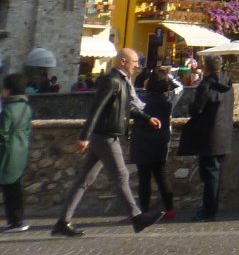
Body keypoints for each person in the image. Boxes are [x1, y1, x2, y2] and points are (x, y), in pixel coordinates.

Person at [52, 47, 164, 237]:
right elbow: (97, 109)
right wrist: (84, 136)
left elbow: (126, 108)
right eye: (134, 62)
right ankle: (137, 218)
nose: (137, 66)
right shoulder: (112, 81)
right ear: (122, 61)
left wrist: (146, 118)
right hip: (105, 135)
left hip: (103, 135)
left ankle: (62, 222)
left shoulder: (122, 81)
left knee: (84, 180)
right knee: (121, 176)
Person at [176, 53, 233, 222]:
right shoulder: (228, 84)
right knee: (214, 174)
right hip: (224, 133)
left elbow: (196, 109)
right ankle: (211, 208)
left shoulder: (206, 85)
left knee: (209, 175)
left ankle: (209, 210)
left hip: (209, 135)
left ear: (205, 67)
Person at [130, 66, 178, 220]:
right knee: (161, 176)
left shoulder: (141, 99)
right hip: (160, 141)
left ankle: (144, 211)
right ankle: (169, 209)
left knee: (144, 178)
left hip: (141, 140)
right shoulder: (168, 100)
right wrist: (167, 76)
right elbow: (180, 88)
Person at [1, 73, 31, 234]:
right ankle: (18, 220)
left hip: (7, 153)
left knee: (8, 189)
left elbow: (2, 133)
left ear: (8, 90)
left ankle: (14, 222)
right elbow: (27, 130)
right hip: (21, 150)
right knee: (15, 187)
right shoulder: (26, 107)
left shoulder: (7, 109)